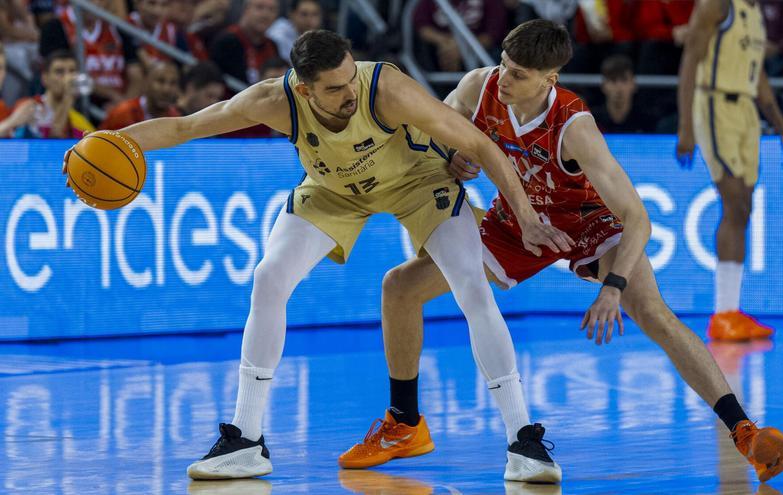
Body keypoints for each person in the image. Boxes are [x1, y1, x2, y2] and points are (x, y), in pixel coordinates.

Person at [62, 29, 573, 481]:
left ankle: (523, 440)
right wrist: (100, 142)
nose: (349, 92)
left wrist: (527, 217)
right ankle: (246, 439)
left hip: (419, 182)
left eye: (351, 79)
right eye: (335, 88)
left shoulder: (385, 88)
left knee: (470, 284)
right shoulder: (273, 101)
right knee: (269, 276)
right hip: (333, 190)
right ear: (304, 89)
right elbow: (182, 127)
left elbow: (479, 146)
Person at [341, 20, 783, 484]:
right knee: (399, 286)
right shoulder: (480, 86)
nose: (505, 79)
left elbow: (638, 218)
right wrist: (448, 157)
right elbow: (431, 132)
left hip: (588, 224)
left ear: (549, 79)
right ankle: (405, 423)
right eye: (504, 65)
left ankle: (743, 430)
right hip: (516, 223)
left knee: (653, 313)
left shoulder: (575, 126)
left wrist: (613, 288)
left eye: (518, 74)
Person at [676, 0, 783, 341]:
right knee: (733, 204)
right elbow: (690, 61)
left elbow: (758, 78)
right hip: (714, 103)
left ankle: (732, 310)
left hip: (746, 111)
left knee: (743, 207)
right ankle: (722, 314)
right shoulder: (716, 5)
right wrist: (686, 127)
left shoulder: (755, 12)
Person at [0, 50, 94, 138]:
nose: (68, 78)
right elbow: (52, 142)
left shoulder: (79, 121)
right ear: (45, 78)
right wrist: (68, 98)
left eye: (72, 71)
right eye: (59, 72)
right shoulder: (28, 106)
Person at [210, 0, 280, 87]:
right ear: (246, 10)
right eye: (260, 7)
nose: (265, 15)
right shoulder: (226, 41)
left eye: (272, 9)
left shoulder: (272, 46)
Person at [100, 61, 181, 129]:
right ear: (146, 82)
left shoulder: (176, 119)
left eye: (173, 83)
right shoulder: (123, 113)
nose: (166, 89)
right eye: (160, 81)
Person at [591, 54, 655, 133]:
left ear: (633, 84)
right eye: (613, 80)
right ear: (603, 86)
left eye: (624, 80)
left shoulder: (648, 122)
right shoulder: (591, 120)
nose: (619, 88)